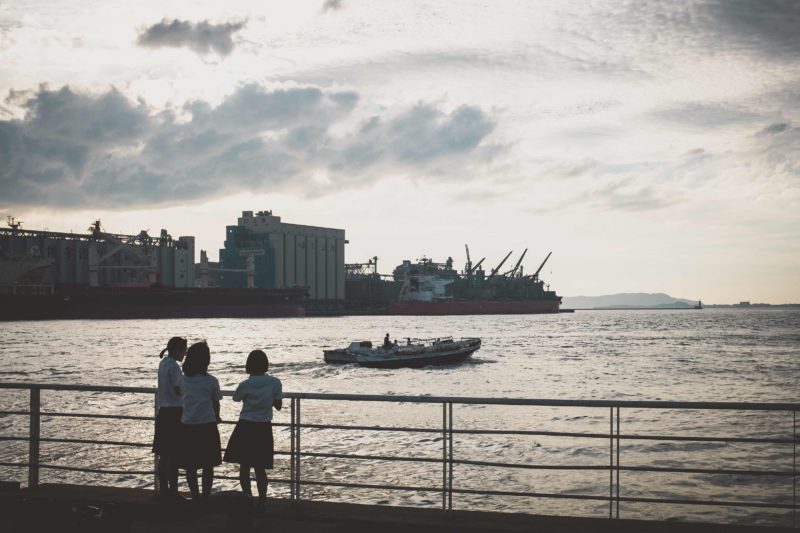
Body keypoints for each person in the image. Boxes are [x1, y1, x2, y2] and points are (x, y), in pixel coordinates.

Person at [224, 350, 282, 504]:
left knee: (244, 466)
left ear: (249, 365)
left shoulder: (245, 384)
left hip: (245, 427)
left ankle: (247, 499)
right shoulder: (275, 383)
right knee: (260, 468)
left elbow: (236, 398)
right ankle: (262, 499)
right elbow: (278, 405)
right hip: (263, 427)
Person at [178, 341, 222, 501]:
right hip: (207, 426)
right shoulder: (211, 381)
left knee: (190, 466)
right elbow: (216, 401)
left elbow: (182, 396)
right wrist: (217, 416)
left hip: (187, 425)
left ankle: (195, 497)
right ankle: (205, 497)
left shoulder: (183, 380)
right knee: (208, 465)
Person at [152, 336, 187, 502]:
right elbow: (179, 390)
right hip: (175, 413)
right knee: (174, 455)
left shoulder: (163, 363)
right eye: (184, 351)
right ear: (177, 350)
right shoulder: (173, 366)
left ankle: (164, 491)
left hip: (163, 411)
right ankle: (173, 492)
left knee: (164, 454)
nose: (185, 354)